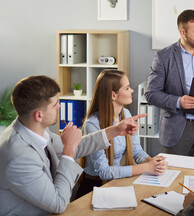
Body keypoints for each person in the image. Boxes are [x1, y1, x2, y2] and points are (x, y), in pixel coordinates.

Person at [0, 75, 145, 215]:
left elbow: (78, 146)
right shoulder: (18, 156)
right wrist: (68, 151)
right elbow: (58, 203)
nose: (59, 107)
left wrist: (115, 130)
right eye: (55, 104)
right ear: (39, 115)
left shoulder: (33, 130)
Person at [145, 9, 194, 160]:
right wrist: (179, 101)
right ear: (183, 33)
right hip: (177, 130)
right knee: (174, 179)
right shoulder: (163, 56)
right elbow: (151, 93)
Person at [76, 70, 167, 198]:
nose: (132, 91)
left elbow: (136, 150)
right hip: (94, 188)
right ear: (113, 95)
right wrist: (147, 167)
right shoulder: (93, 124)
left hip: (115, 183)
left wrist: (151, 161)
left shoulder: (126, 115)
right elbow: (104, 172)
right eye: (127, 88)